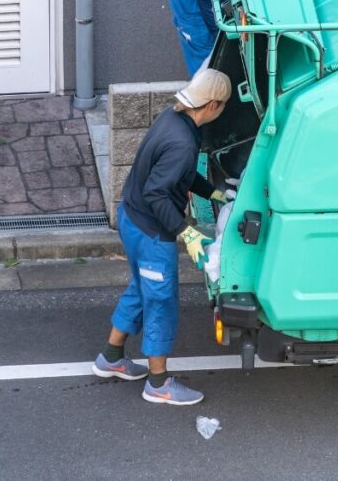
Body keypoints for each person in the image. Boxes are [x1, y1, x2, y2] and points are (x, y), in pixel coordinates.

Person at [91, 68, 232, 405]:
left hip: (131, 216)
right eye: (223, 106)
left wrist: (214, 193)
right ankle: (158, 384)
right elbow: (159, 193)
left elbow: (179, 175)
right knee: (161, 301)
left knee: (141, 289)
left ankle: (111, 358)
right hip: (152, 231)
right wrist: (187, 232)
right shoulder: (184, 141)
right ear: (212, 105)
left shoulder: (174, 117)